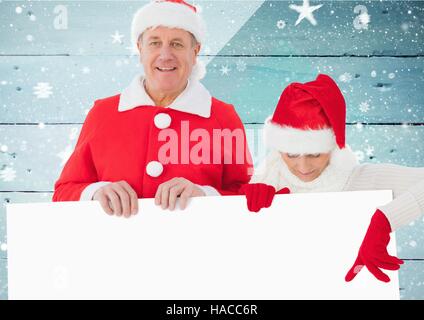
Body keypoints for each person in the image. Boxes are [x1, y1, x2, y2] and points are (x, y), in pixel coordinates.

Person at [53, 0, 252, 217]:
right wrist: (96, 192)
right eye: (154, 43)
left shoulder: (223, 117)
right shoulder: (103, 113)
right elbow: (64, 192)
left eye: (177, 44)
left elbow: (247, 195)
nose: (165, 55)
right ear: (140, 49)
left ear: (195, 52)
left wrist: (204, 195)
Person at [240, 74, 424, 283]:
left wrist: (384, 220)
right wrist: (237, 205)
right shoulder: (265, 181)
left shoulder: (361, 181)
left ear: (332, 147)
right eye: (291, 154)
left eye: (314, 154)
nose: (303, 166)